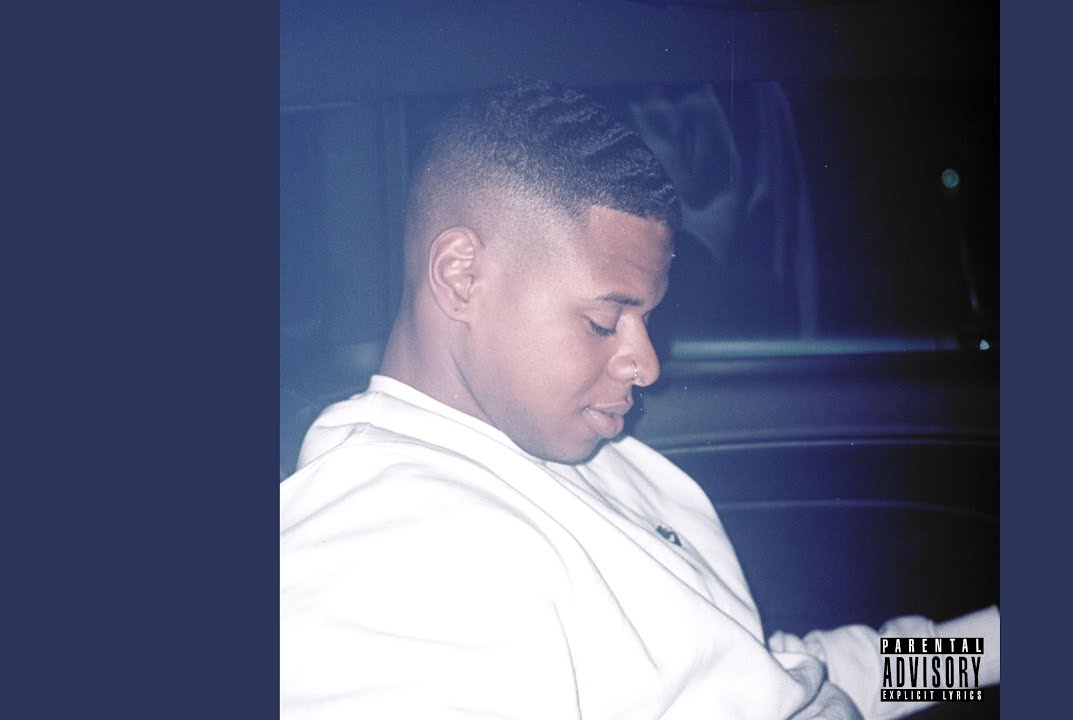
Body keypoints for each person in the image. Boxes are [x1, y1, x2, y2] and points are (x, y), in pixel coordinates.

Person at [279, 78, 999, 719]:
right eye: (603, 321)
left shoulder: (576, 451)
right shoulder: (377, 555)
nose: (647, 365)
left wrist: (991, 649)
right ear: (462, 276)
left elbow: (771, 672)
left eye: (646, 319)